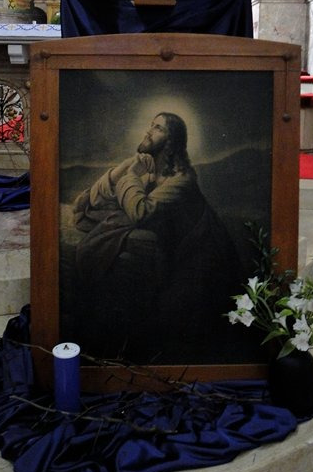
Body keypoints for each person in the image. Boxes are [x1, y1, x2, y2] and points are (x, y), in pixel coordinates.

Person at [69, 112, 242, 364]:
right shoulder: (151, 174)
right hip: (166, 263)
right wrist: (124, 169)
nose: (149, 131)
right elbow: (92, 202)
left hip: (194, 272)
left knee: (167, 334)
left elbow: (140, 211)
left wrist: (130, 176)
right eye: (151, 125)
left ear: (171, 141)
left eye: (158, 128)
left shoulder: (182, 181)